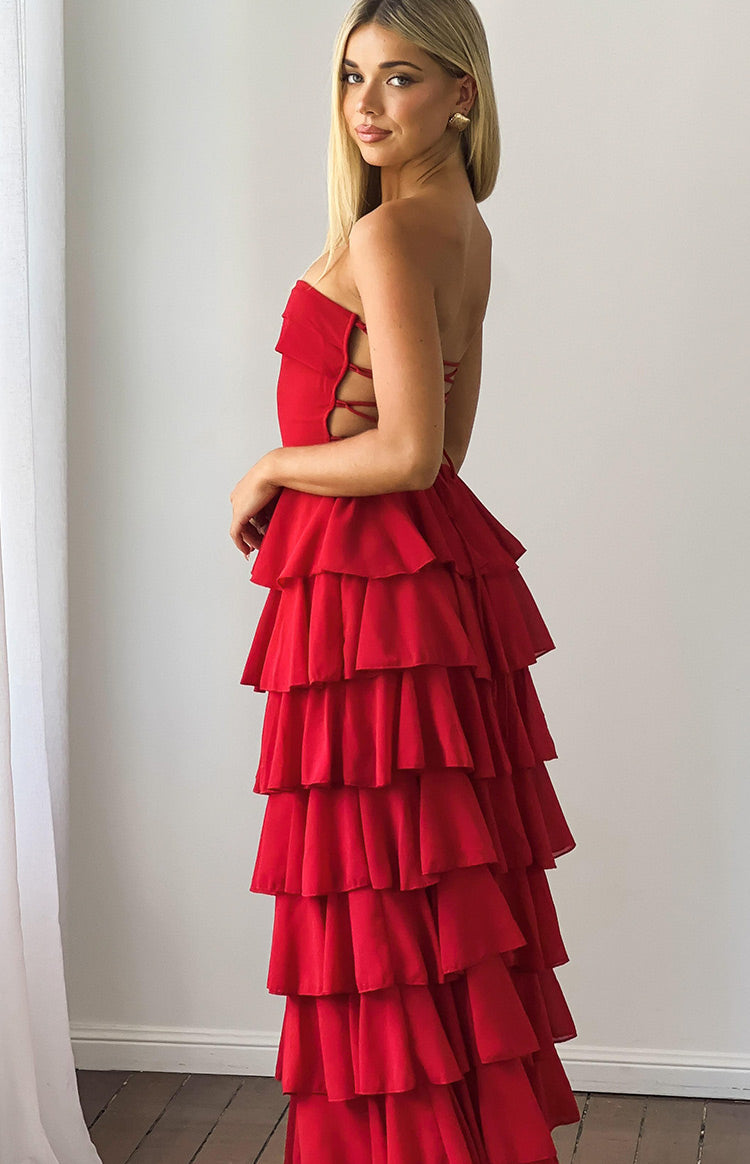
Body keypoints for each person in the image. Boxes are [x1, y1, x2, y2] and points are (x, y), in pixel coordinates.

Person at [229, 1, 580, 1160]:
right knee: (426, 905)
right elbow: (450, 450)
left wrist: (276, 462)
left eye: (401, 79)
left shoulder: (387, 238)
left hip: (373, 601)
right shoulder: (461, 229)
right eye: (351, 78)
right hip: (412, 588)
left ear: (462, 94)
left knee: (378, 908)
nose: (367, 107)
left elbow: (414, 456)